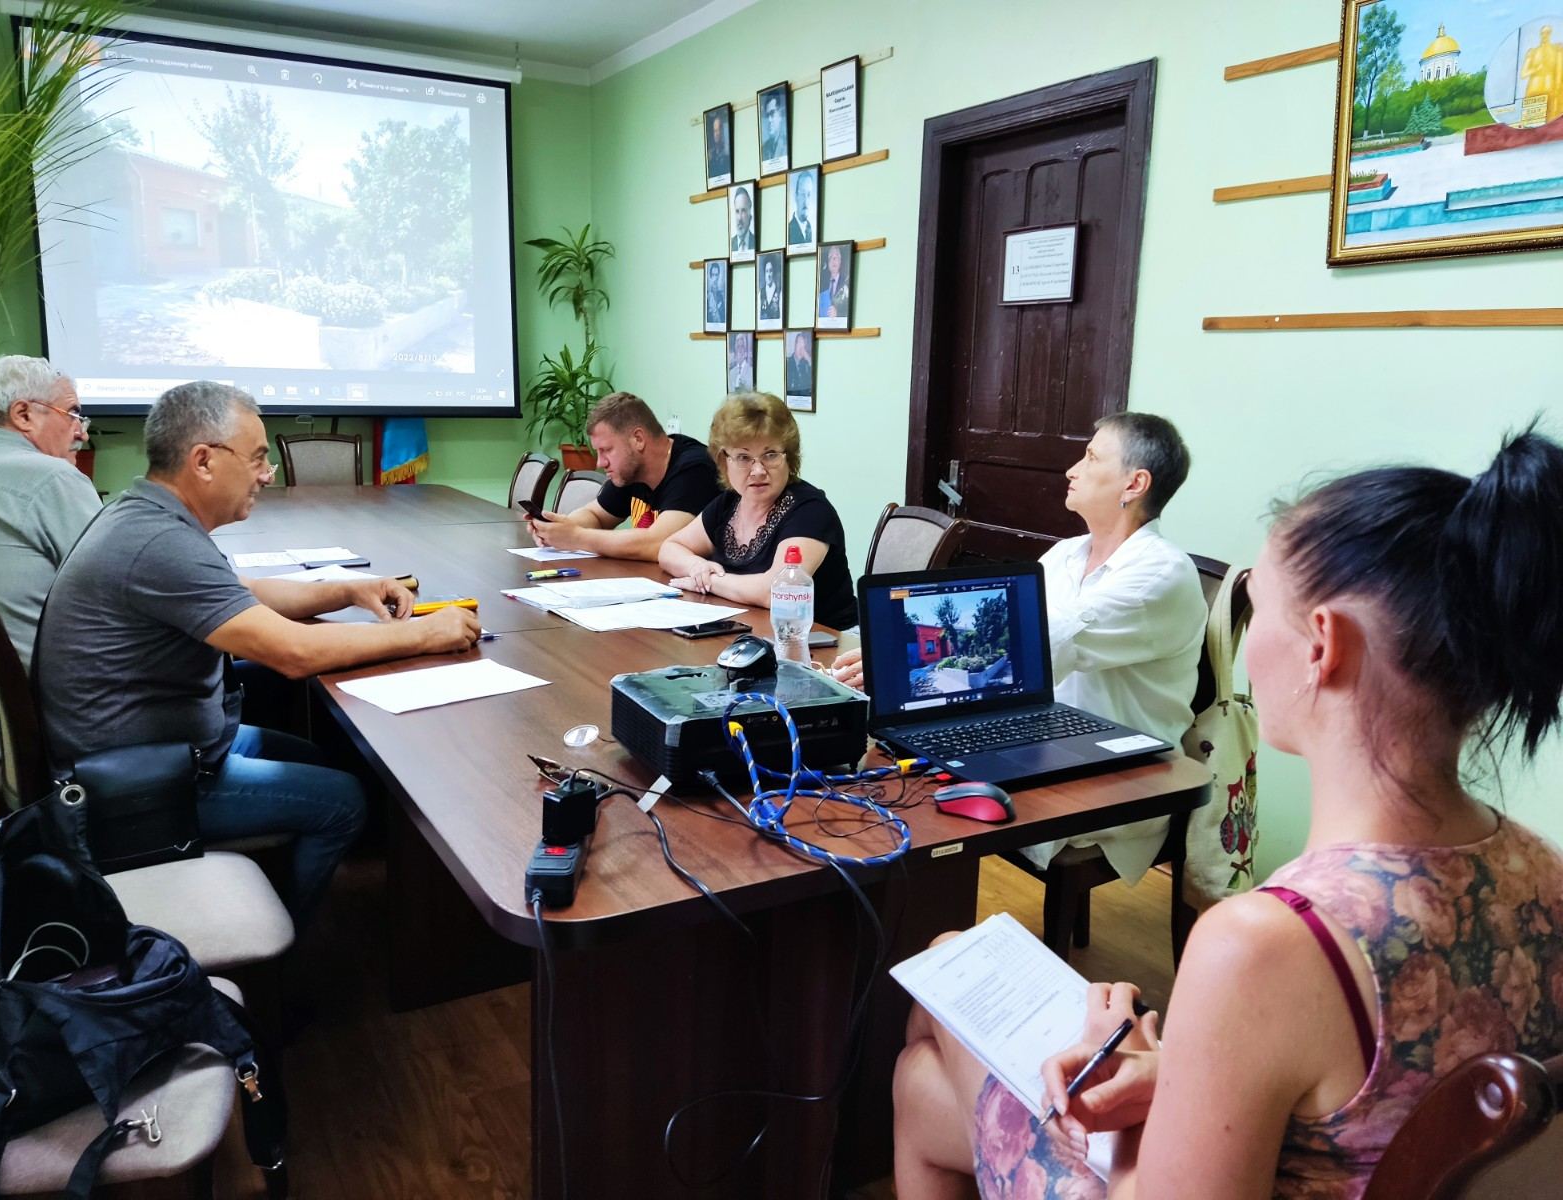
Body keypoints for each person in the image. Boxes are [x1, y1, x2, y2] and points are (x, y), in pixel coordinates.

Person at [893, 425, 1563, 1200]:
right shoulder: (1544, 872)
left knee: (940, 997)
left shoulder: (1266, 946)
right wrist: (1174, 1070)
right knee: (923, 1075)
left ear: (1323, 646)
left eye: (1259, 604)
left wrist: (1155, 1055)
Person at [36, 382, 481, 924]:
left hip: (157, 743)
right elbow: (292, 653)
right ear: (202, 461)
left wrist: (349, 589)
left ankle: (281, 889)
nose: (267, 473)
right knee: (345, 799)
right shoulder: (159, 543)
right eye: (257, 458)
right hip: (140, 783)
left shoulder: (147, 514)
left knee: (322, 757)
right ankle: (285, 954)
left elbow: (244, 592)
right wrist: (429, 634)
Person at [835, 414, 1205, 880]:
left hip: (1118, 771)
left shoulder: (1161, 573)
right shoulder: (1067, 553)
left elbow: (1034, 649)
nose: (1072, 470)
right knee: (897, 769)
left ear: (1135, 483)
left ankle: (927, 923)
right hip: (1039, 736)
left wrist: (896, 668)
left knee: (920, 799)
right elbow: (1014, 636)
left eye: (1091, 457)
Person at [0, 355, 101, 760]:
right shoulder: (52, 478)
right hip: (72, 734)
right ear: (23, 414)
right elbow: (134, 595)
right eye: (73, 413)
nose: (82, 434)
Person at [659, 392, 857, 629]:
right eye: (743, 457)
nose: (758, 470)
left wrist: (709, 581)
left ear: (789, 457)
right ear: (724, 461)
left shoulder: (811, 510)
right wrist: (696, 567)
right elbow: (670, 548)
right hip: (750, 632)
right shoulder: (730, 503)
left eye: (770, 455)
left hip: (823, 643)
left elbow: (775, 592)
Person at [528, 392, 722, 561]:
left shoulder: (695, 469)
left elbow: (659, 544)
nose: (600, 463)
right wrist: (559, 529)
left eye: (606, 450)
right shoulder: (631, 470)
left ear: (638, 439)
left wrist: (577, 537)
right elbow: (596, 515)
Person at [817, 244, 849, 319]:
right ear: (828, 263)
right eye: (831, 257)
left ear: (840, 261)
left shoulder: (846, 283)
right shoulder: (822, 284)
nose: (834, 259)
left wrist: (838, 314)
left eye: (837, 256)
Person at [759, 89, 788, 168]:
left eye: (772, 113)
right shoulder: (764, 149)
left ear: (780, 114)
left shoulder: (786, 144)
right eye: (767, 115)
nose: (769, 120)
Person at [787, 171, 816, 248]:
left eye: (809, 194)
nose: (806, 200)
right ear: (796, 196)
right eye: (802, 194)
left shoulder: (810, 228)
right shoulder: (789, 229)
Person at [786, 332, 814, 396]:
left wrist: (808, 359)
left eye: (803, 345)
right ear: (795, 345)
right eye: (799, 343)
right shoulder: (788, 362)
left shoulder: (807, 363)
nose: (801, 348)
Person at [730, 186, 755, 254]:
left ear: (750, 215)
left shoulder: (755, 241)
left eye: (743, 211)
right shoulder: (730, 244)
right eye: (737, 211)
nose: (739, 218)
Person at [706, 112, 731, 181]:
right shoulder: (711, 154)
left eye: (719, 130)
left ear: (723, 130)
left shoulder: (728, 151)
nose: (716, 133)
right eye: (715, 131)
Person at [759, 256, 782, 322]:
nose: (768, 275)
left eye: (770, 271)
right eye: (766, 271)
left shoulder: (779, 292)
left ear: (773, 273)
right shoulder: (761, 293)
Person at [705, 261, 727, 326]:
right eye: (713, 274)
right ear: (710, 275)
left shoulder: (720, 295)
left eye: (716, 275)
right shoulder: (706, 294)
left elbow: (723, 317)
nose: (715, 277)